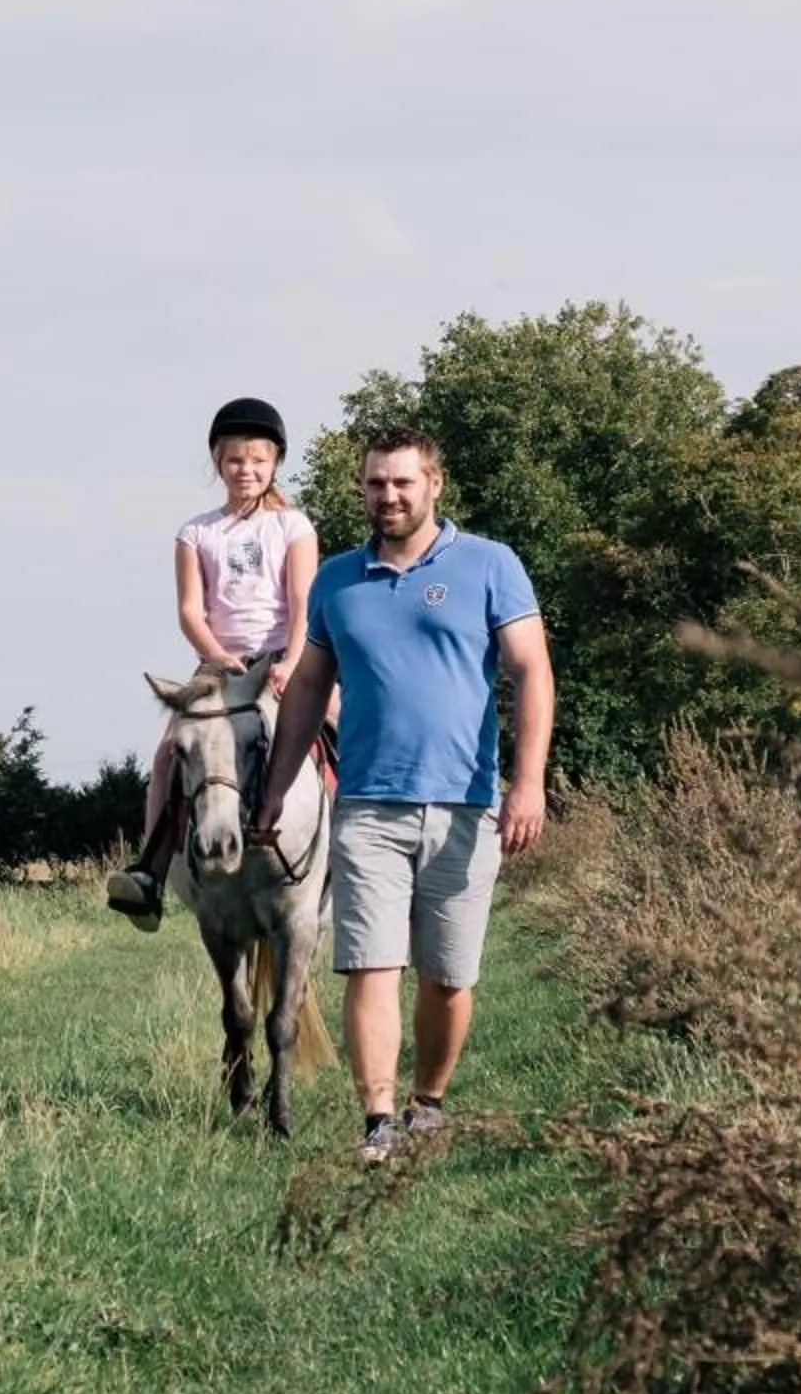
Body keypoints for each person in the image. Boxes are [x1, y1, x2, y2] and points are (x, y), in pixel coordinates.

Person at [253, 427, 554, 1162]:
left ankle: (429, 1102)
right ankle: (378, 1121)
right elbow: (307, 694)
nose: (387, 496)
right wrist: (274, 790)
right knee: (371, 963)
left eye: (401, 483)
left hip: (464, 805)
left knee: (448, 976)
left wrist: (528, 783)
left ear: (434, 486)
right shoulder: (337, 581)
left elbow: (531, 672)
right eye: (374, 484)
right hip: (367, 806)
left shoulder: (490, 565)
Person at [105, 395, 319, 929]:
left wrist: (290, 662)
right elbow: (190, 611)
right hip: (218, 667)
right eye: (234, 460)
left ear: (275, 463)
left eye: (257, 460)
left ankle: (350, 857)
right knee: (166, 756)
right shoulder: (197, 532)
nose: (246, 470)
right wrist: (219, 658)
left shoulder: (294, 527)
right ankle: (150, 873)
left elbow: (303, 605)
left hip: (284, 657)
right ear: (218, 464)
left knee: (343, 727)